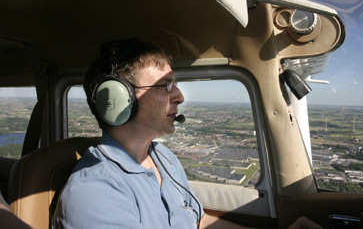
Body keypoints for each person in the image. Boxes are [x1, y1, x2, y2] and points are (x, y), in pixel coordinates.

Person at [53, 38, 321, 229]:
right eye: (165, 86)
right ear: (116, 100)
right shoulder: (95, 194)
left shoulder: (164, 158)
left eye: (175, 84)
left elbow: (197, 221)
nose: (179, 96)